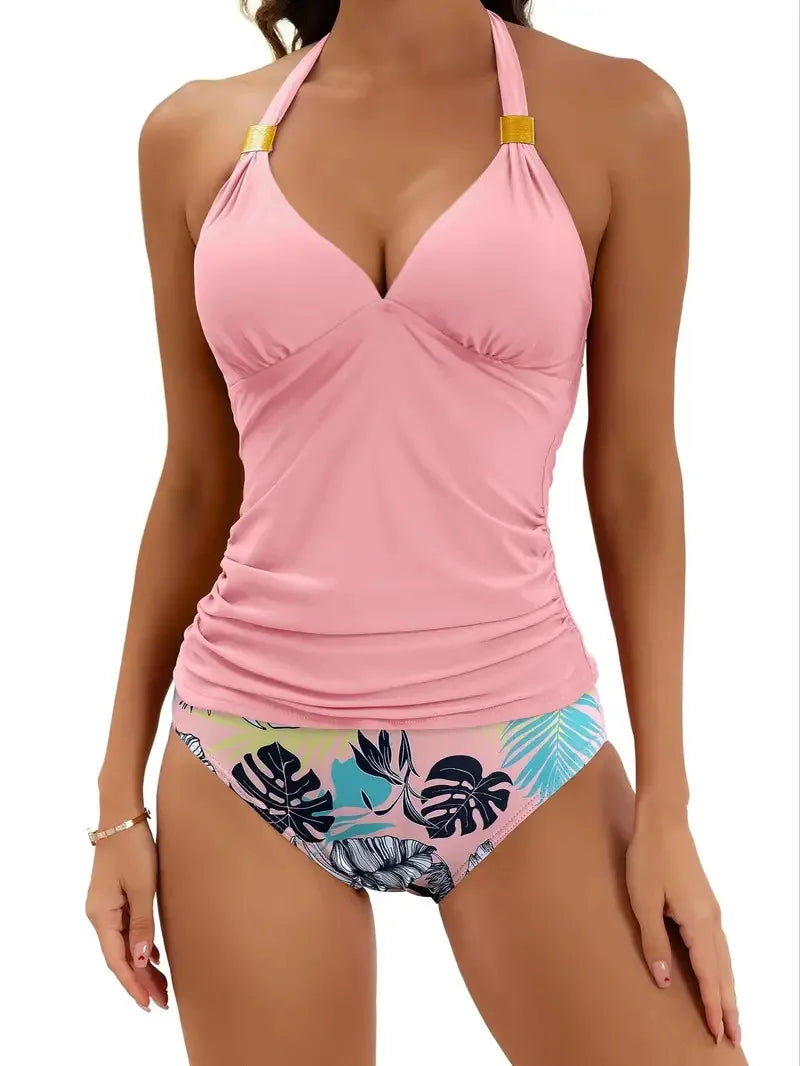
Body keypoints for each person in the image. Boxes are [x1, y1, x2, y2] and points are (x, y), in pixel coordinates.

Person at [85, 2, 748, 1063]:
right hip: (244, 750)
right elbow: (199, 482)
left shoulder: (622, 116)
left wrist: (665, 804)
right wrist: (117, 797)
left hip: (519, 747)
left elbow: (632, 476)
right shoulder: (193, 135)